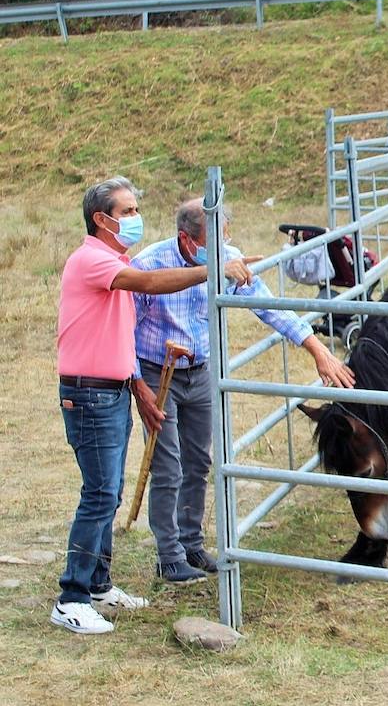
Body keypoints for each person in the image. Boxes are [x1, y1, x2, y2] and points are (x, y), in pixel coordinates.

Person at [54, 177, 255, 635]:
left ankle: (99, 583)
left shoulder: (112, 258)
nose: (134, 218)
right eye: (125, 212)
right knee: (99, 495)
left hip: (109, 388)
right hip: (88, 393)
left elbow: (118, 333)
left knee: (109, 492)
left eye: (133, 209)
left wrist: (136, 383)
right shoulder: (94, 261)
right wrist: (213, 269)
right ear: (100, 219)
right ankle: (72, 596)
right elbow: (149, 283)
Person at [131, 198, 355, 585]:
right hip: (157, 372)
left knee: (200, 461)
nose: (220, 251)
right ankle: (168, 556)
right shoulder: (149, 265)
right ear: (186, 240)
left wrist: (316, 348)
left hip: (199, 371)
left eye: (224, 241)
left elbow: (269, 307)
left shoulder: (229, 259)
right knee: (168, 466)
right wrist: (139, 387)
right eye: (210, 244)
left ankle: (191, 543)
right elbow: (124, 328)